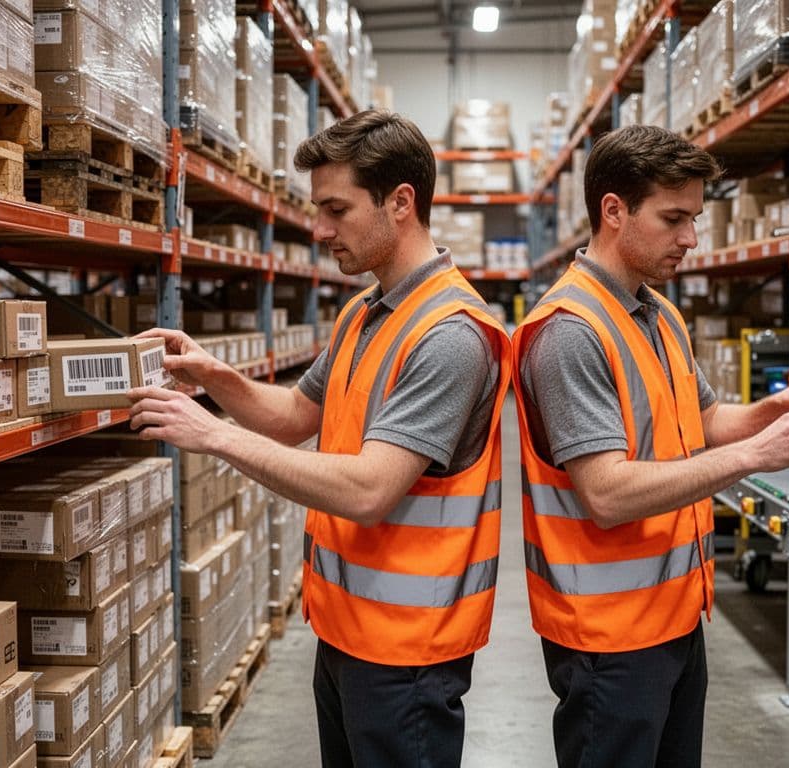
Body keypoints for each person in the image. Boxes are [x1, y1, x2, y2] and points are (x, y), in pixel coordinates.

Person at [126, 109, 512, 768]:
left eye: (336, 209)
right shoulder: (366, 313)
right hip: (342, 631)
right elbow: (296, 415)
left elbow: (369, 491)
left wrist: (215, 437)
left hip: (407, 650)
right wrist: (213, 375)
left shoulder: (450, 332)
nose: (321, 229)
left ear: (400, 203)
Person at [513, 124, 789, 768]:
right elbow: (606, 494)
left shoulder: (658, 314)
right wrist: (752, 457)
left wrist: (776, 406)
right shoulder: (568, 332)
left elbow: (702, 420)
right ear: (613, 210)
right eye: (674, 219)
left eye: (695, 218)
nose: (692, 238)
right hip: (607, 640)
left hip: (675, 617)